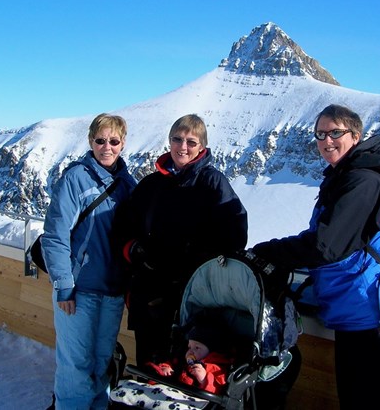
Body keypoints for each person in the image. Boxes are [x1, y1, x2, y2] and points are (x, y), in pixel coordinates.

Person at [251, 104, 380, 409]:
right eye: (320, 134)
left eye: (335, 132)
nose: (326, 140)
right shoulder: (345, 177)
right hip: (354, 308)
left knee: (364, 400)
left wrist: (268, 251)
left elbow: (325, 246)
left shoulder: (362, 182)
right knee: (357, 398)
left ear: (356, 135)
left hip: (370, 312)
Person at [113, 113, 248, 366]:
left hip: (193, 301)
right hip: (151, 296)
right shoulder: (152, 185)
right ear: (169, 142)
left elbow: (235, 234)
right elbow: (123, 225)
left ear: (202, 148)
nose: (183, 147)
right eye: (177, 139)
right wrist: (134, 250)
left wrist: (202, 260)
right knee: (150, 366)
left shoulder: (213, 184)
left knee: (184, 374)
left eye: (191, 141)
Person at [41, 113, 137, 409]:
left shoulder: (127, 184)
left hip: (112, 293)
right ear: (90, 141)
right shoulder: (76, 178)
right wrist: (64, 287)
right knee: (75, 369)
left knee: (101, 365)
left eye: (113, 141)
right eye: (100, 140)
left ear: (122, 144)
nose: (106, 147)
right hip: (79, 292)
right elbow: (55, 236)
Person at [148, 323, 235, 394]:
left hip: (193, 400)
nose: (191, 351)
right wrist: (166, 369)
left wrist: (204, 379)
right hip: (171, 392)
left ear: (211, 352)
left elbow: (218, 390)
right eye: (189, 347)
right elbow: (173, 364)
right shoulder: (182, 360)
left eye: (197, 348)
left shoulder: (216, 368)